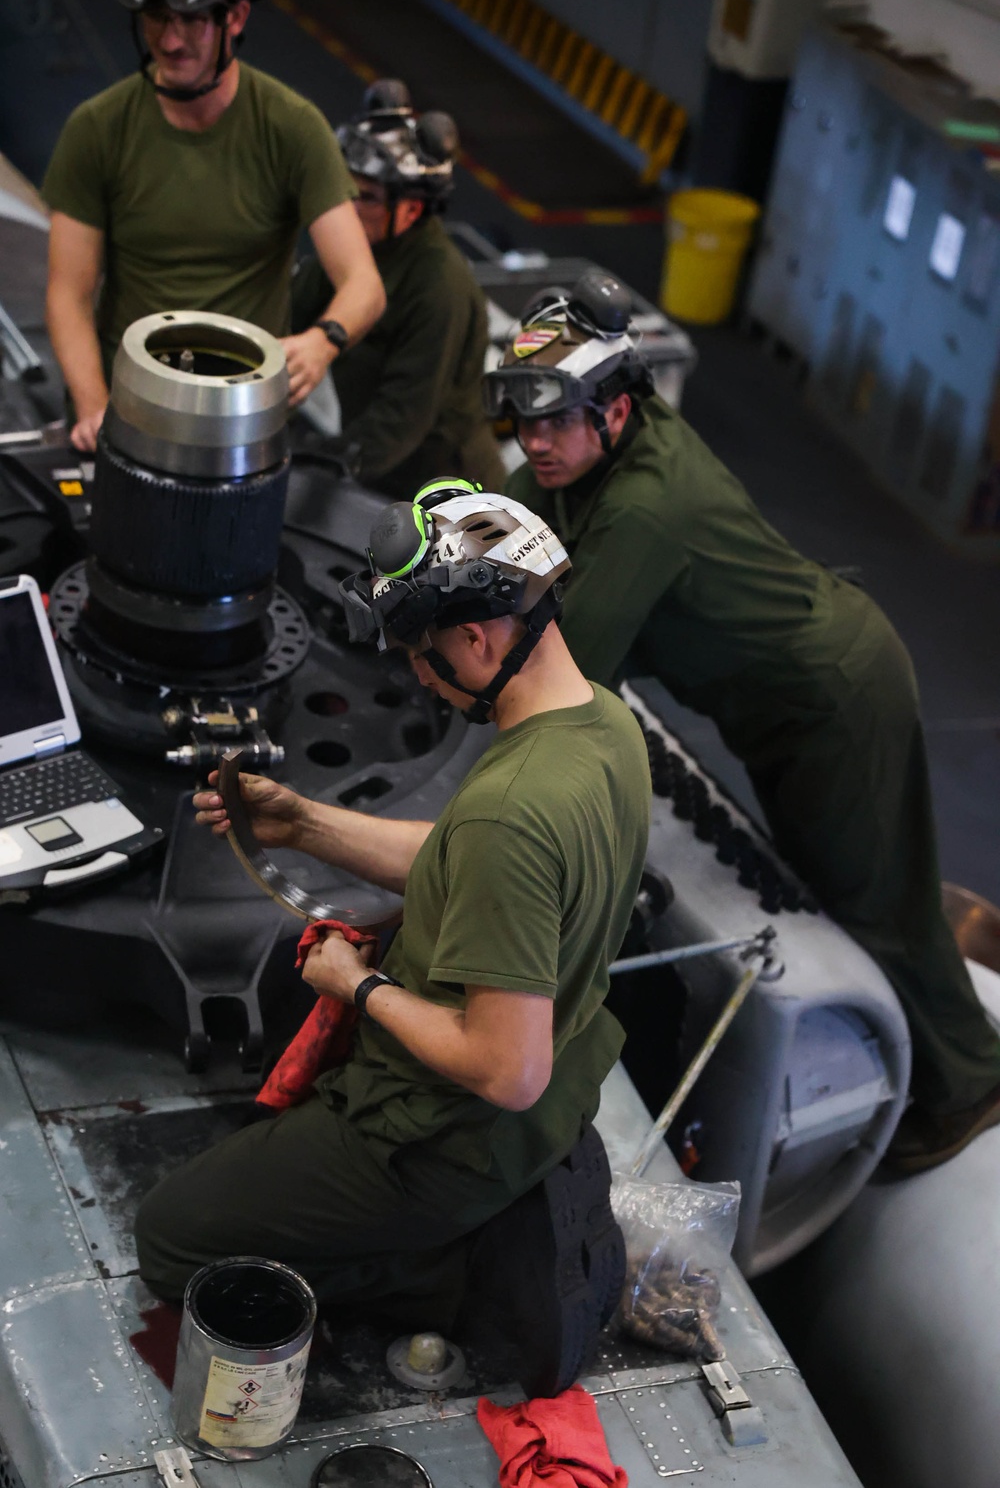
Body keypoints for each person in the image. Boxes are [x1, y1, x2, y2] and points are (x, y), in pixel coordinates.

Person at [134, 479, 650, 1390]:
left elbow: (507, 1069)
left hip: (440, 1138)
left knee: (174, 1238)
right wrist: (300, 822)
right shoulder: (603, 726)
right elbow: (469, 869)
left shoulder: (513, 810)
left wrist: (354, 986)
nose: (417, 675)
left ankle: (455, 1271)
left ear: (477, 637)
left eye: (421, 652)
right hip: (549, 1107)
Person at [483, 271, 1000, 1176]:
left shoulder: (648, 509)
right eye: (525, 421)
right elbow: (526, 500)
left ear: (613, 410)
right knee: (850, 881)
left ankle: (970, 1082)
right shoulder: (613, 441)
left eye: (557, 420)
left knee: (874, 905)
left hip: (831, 701)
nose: (538, 443)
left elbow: (561, 675)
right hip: (781, 704)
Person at [42, 0, 385, 452]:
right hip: (129, 407)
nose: (170, 41)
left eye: (191, 21)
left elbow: (363, 283)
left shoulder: (292, 127)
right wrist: (91, 405)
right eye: (157, 19)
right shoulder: (97, 128)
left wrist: (323, 342)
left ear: (236, 17)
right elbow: (69, 291)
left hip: (241, 422)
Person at [291, 80, 504, 495]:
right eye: (345, 186)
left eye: (365, 196)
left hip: (442, 492)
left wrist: (318, 459)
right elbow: (289, 316)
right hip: (382, 468)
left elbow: (400, 420)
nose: (346, 206)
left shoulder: (439, 285)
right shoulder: (357, 249)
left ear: (411, 208)